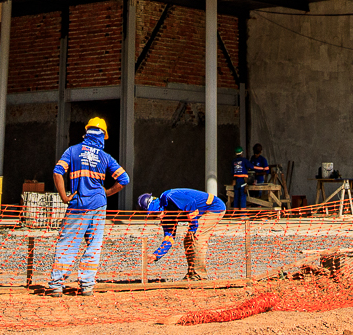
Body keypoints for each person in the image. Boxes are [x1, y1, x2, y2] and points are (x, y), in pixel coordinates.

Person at [42, 117, 128, 295]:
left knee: (68, 243)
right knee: (94, 245)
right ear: (103, 136)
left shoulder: (72, 151)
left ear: (86, 133)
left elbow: (57, 172)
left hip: (78, 205)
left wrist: (64, 197)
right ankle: (87, 285)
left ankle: (57, 285)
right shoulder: (105, 157)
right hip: (98, 206)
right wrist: (106, 193)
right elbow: (124, 179)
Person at [139, 188, 228, 280]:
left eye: (155, 214)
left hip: (214, 207)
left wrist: (193, 228)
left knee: (196, 236)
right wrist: (156, 255)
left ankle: (200, 276)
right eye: (153, 217)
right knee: (188, 240)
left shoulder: (170, 197)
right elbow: (169, 238)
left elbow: (190, 202)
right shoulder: (166, 217)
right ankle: (192, 274)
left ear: (157, 207)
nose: (157, 218)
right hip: (200, 212)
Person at [230, 143, 268, 211]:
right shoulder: (245, 160)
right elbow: (251, 166)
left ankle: (235, 213)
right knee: (243, 196)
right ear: (242, 153)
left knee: (236, 196)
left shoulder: (233, 161)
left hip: (237, 180)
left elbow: (232, 172)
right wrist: (262, 168)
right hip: (243, 180)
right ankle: (243, 214)